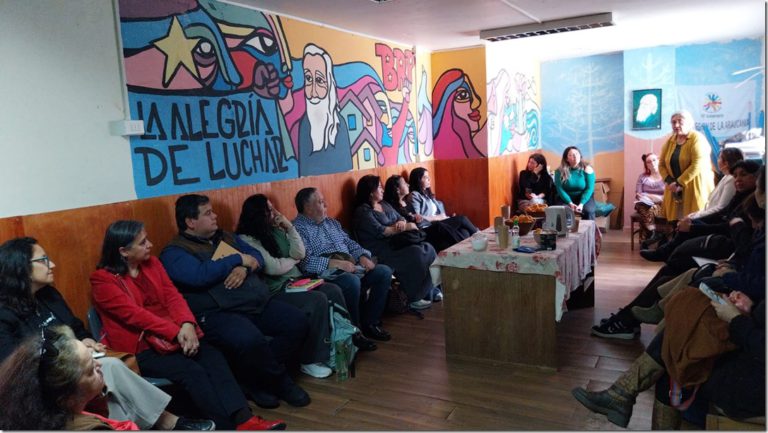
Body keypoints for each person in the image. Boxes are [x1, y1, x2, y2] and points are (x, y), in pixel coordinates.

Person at [91, 220, 287, 430]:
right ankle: (225, 426)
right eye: (142, 242)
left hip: (174, 335)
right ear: (123, 251)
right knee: (192, 371)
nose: (150, 245)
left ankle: (244, 419)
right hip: (141, 349)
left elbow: (173, 296)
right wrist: (177, 332)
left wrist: (187, 324)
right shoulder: (102, 280)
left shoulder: (152, 263)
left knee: (213, 357)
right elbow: (135, 315)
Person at [0, 237, 213, 431]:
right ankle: (166, 421)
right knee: (109, 368)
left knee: (106, 373)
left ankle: (149, 424)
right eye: (43, 260)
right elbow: (14, 366)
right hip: (42, 381)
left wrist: (86, 340)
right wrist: (74, 353)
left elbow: (76, 327)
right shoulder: (4, 312)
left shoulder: (49, 295)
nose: (52, 264)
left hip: (76, 363)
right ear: (21, 268)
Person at [159, 194, 310, 409]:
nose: (215, 216)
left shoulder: (226, 236)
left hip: (253, 301)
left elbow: (256, 256)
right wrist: (237, 259)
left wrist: (244, 267)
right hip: (217, 313)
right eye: (208, 213)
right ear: (190, 222)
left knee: (297, 322)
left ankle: (254, 380)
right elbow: (199, 275)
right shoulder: (175, 252)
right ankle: (282, 383)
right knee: (249, 339)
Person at [236, 193, 349, 379]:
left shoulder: (276, 230)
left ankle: (341, 344)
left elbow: (300, 252)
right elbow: (274, 267)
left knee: (333, 290)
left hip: (297, 281)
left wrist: (289, 227)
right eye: (269, 210)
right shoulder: (247, 239)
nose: (274, 213)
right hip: (278, 289)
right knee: (317, 300)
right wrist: (293, 260)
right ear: (258, 214)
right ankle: (311, 359)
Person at [292, 187, 391, 347]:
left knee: (383, 272)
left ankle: (370, 323)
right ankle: (354, 332)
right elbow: (305, 262)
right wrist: (336, 263)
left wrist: (362, 256)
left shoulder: (331, 222)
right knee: (351, 282)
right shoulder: (298, 229)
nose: (326, 204)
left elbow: (350, 244)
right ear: (307, 207)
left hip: (350, 265)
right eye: (321, 202)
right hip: (325, 274)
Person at [0, 325, 140, 430]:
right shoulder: (92, 428)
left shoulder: (41, 414)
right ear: (68, 398)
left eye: (93, 358)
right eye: (90, 370)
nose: (99, 364)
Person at [353, 175, 437, 310]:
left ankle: (424, 290)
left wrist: (402, 222)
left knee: (429, 248)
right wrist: (405, 227)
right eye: (379, 187)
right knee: (417, 254)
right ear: (370, 192)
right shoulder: (363, 212)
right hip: (380, 249)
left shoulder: (384, 204)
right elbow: (382, 232)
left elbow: (401, 217)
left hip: (396, 242)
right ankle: (414, 297)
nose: (382, 190)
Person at [297, 43, 352, 177]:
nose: (313, 91)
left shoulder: (339, 124)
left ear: (329, 83)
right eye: (308, 78)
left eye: (319, 80)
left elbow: (348, 172)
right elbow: (303, 174)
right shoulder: (305, 125)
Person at [383, 174, 466, 253]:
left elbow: (414, 217)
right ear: (397, 189)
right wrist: (409, 220)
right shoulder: (392, 207)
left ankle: (467, 247)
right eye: (404, 183)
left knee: (460, 227)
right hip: (418, 232)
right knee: (440, 226)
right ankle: (465, 249)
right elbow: (399, 222)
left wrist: (416, 217)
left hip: (425, 226)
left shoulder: (406, 202)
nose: (408, 185)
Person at [657, 110, 715, 222]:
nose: (676, 125)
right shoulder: (670, 141)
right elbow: (661, 164)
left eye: (680, 121)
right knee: (675, 222)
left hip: (694, 187)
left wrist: (679, 182)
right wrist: (669, 181)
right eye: (673, 122)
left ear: (689, 123)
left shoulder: (697, 138)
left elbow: (698, 163)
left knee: (693, 222)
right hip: (673, 188)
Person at [407, 167, 478, 239]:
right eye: (425, 177)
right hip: (429, 227)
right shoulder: (414, 195)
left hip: (439, 223)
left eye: (428, 176)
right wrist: (438, 217)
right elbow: (417, 218)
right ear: (418, 180)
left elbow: (439, 214)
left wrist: (448, 218)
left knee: (464, 231)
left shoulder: (427, 194)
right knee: (462, 219)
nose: (429, 179)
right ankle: (480, 235)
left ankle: (476, 242)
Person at [554, 146, 596, 220]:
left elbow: (589, 189)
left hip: (584, 198)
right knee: (562, 211)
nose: (575, 156)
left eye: (577, 153)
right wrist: (569, 202)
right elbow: (560, 189)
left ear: (580, 155)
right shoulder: (559, 171)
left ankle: (589, 227)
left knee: (588, 211)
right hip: (565, 198)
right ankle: (566, 228)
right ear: (566, 159)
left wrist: (581, 204)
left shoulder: (587, 169)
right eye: (571, 155)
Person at [634, 153, 666, 247]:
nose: (652, 163)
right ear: (646, 165)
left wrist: (648, 195)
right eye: (648, 162)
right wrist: (654, 197)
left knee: (651, 209)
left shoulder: (666, 176)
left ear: (658, 160)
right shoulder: (642, 177)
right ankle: (653, 232)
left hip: (662, 205)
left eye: (654, 160)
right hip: (644, 204)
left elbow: (668, 195)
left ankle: (647, 237)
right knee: (642, 206)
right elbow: (638, 194)